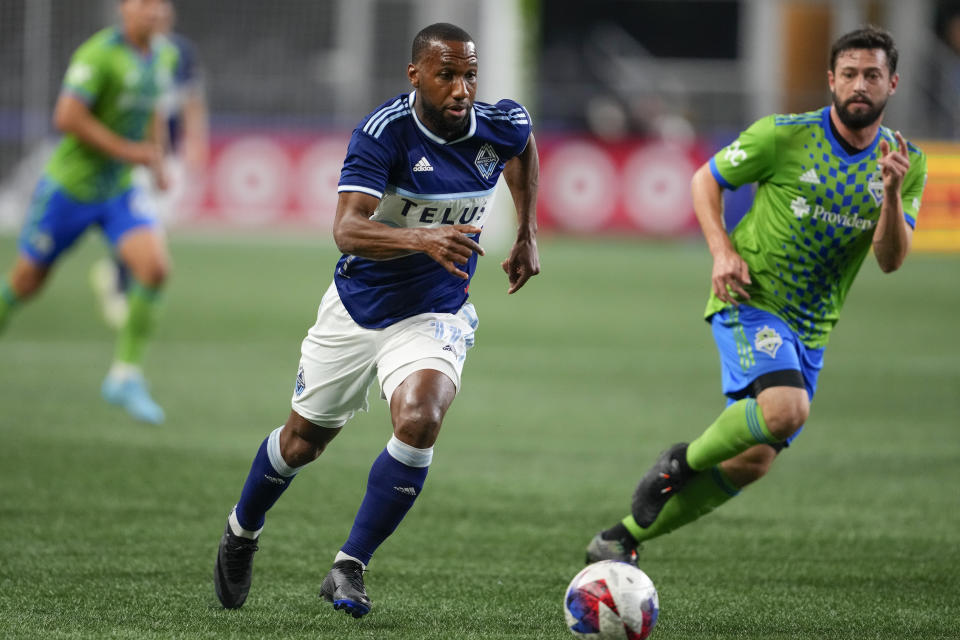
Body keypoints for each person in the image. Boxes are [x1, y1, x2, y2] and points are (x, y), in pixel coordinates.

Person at [213, 22, 540, 617]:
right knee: (301, 444)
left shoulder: (500, 123)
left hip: (435, 311)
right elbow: (347, 229)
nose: (462, 88)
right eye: (447, 75)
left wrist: (526, 233)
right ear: (415, 75)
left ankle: (349, 565)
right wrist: (422, 238)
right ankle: (242, 530)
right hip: (358, 310)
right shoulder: (383, 134)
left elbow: (522, 147)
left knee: (420, 418)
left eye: (469, 74)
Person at [586, 25, 927, 565]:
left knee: (753, 461)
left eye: (872, 75)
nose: (860, 84)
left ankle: (620, 538)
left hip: (812, 327)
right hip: (751, 297)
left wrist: (889, 194)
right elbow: (705, 179)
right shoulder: (784, 136)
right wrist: (722, 251)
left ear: (893, 83)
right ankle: (681, 462)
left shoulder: (905, 162)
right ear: (831, 81)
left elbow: (890, 259)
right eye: (850, 74)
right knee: (787, 408)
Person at [0, 0, 177, 425]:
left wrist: (157, 160)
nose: (153, 12)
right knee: (27, 281)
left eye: (159, 4)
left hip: (117, 190)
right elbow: (67, 117)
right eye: (143, 4)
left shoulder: (164, 54)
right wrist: (129, 151)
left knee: (153, 268)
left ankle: (125, 376)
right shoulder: (97, 55)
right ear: (124, 9)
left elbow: (152, 105)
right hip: (70, 189)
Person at [91, 0, 209, 330]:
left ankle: (120, 275)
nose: (158, 14)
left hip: (164, 152)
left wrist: (195, 141)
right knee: (143, 221)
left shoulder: (180, 53)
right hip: (133, 150)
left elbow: (191, 101)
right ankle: (121, 284)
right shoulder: (116, 51)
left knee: (160, 222)